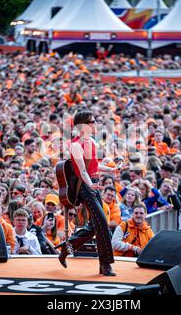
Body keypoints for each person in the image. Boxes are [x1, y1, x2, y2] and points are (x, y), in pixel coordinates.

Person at [58, 110, 116, 276]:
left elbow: (94, 167)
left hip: (93, 183)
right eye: (92, 121)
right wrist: (91, 185)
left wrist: (113, 169)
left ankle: (65, 248)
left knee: (94, 225)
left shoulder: (92, 141)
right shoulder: (76, 145)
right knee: (102, 222)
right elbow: (82, 172)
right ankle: (106, 264)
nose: (95, 124)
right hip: (83, 187)